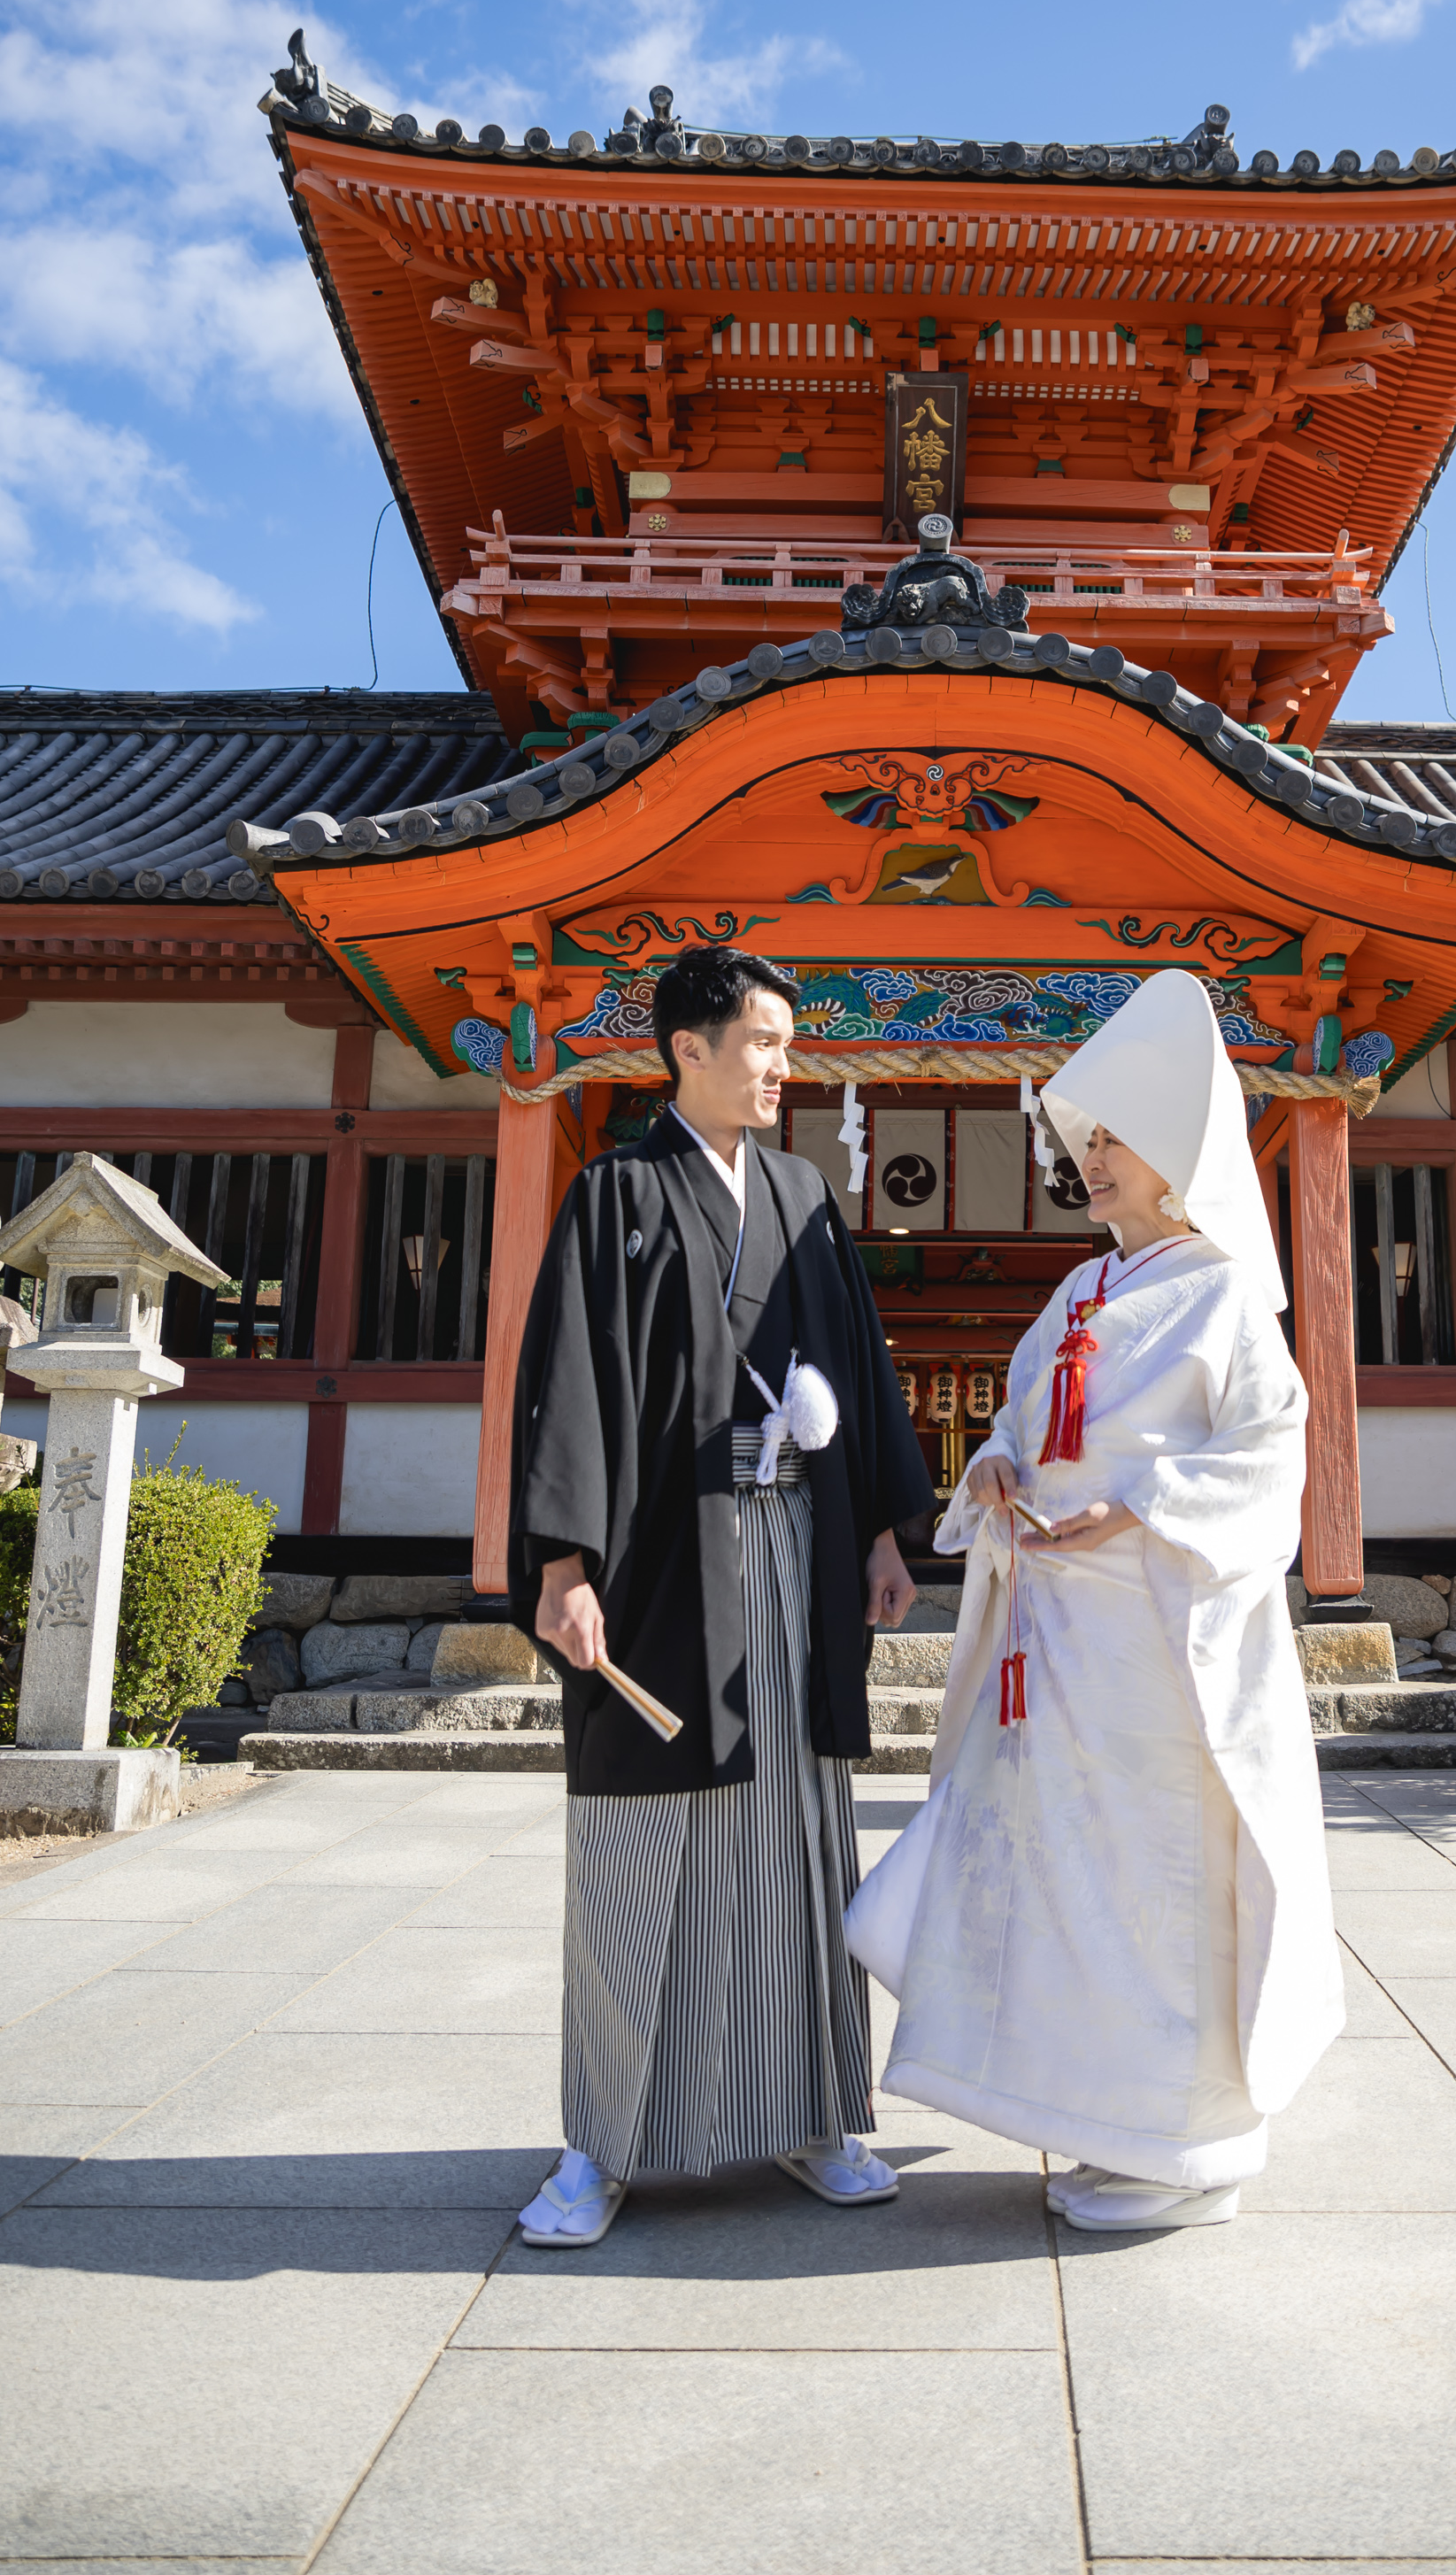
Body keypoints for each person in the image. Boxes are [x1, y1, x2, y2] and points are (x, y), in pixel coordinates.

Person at [845, 967, 1344, 2232]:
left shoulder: (1229, 1292)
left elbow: (1269, 1455)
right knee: (1063, 1875)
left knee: (1155, 1883)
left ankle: (1182, 2145)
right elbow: (1021, 1426)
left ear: (1181, 1152)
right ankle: (1082, 2113)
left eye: (1116, 1138)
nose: (1095, 1159)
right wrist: (1001, 1465)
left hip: (1159, 1654)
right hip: (1054, 1643)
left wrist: (1149, 1508)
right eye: (1087, 1140)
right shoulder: (1080, 1293)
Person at [506, 945, 934, 2247]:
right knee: (647, 1846)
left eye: (785, 1041)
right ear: (686, 1047)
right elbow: (570, 1378)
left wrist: (880, 1528)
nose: (781, 1064)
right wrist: (563, 1566)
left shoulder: (804, 1194)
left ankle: (811, 2115)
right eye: (761, 1040)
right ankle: (604, 2142)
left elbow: (856, 1361)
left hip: (796, 1552)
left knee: (797, 1839)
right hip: (662, 1569)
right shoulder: (617, 1195)